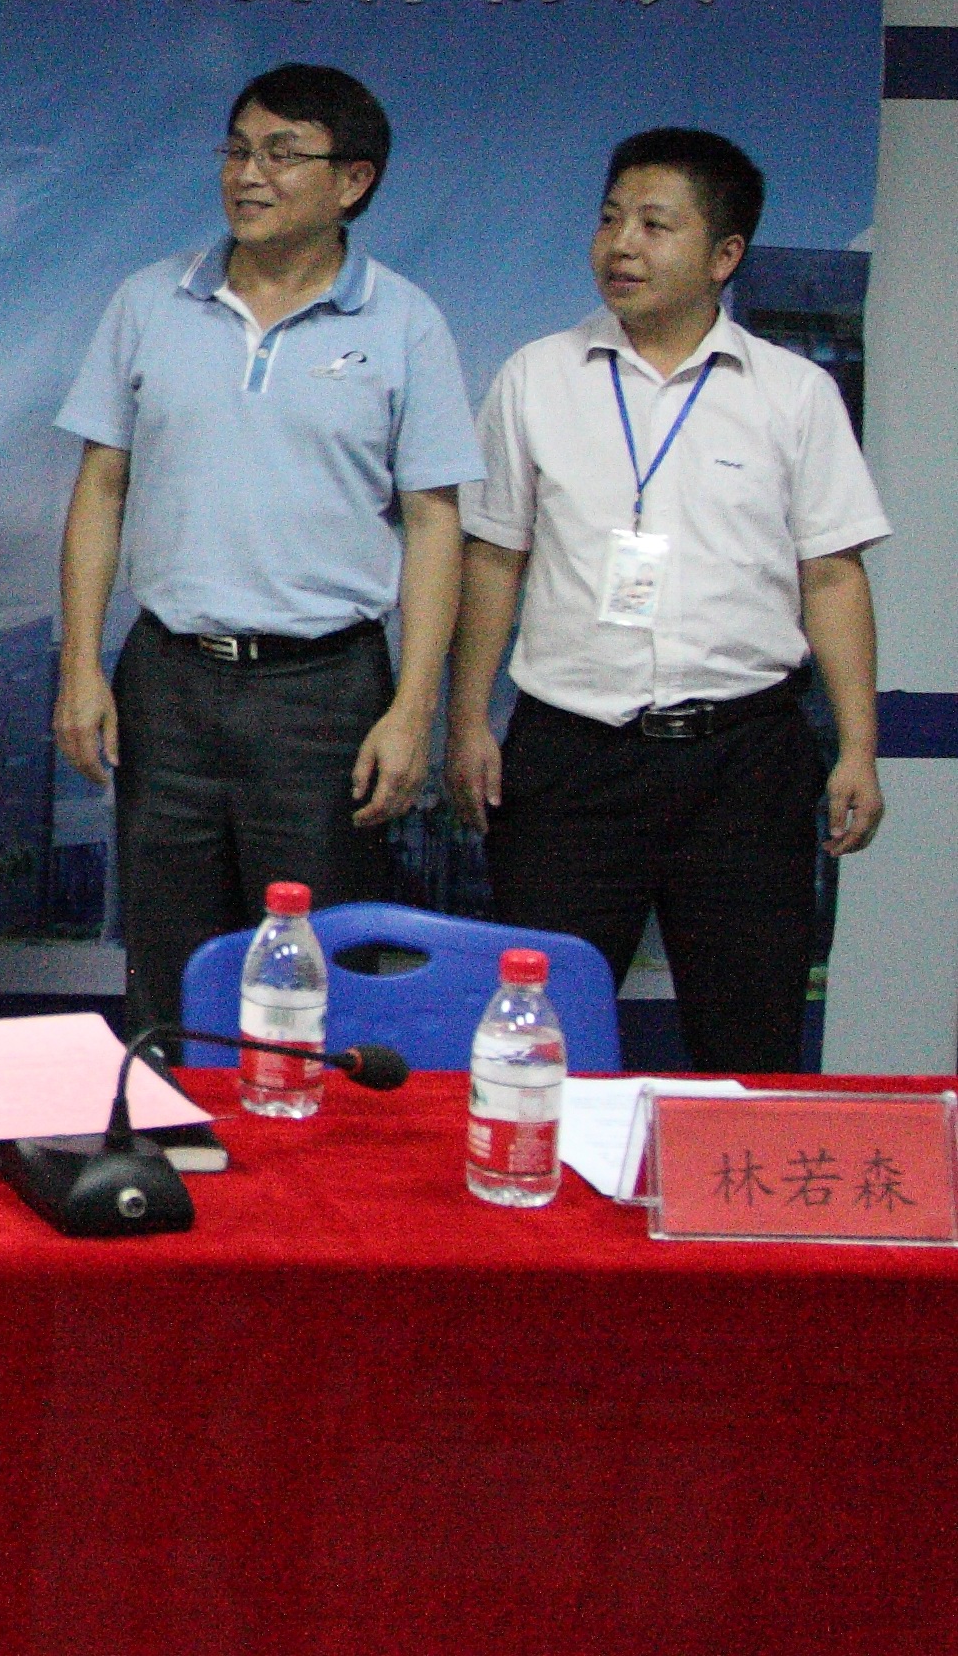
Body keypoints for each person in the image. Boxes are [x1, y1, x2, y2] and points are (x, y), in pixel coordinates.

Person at [53, 64, 480, 1036]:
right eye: (238, 150)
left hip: (324, 694)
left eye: (282, 155)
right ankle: (167, 1121)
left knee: (311, 977)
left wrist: (413, 709)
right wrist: (80, 665)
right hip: (169, 680)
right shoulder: (150, 301)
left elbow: (434, 525)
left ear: (353, 181)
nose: (248, 175)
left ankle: (300, 1134)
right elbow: (100, 488)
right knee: (167, 964)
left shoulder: (404, 322)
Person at [447, 128, 883, 1074]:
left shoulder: (794, 393)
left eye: (654, 225)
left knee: (748, 1041)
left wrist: (857, 746)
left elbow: (832, 574)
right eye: (609, 219)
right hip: (570, 759)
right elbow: (492, 560)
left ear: (724, 255)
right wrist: (468, 718)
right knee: (536, 1046)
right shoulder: (535, 377)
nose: (620, 246)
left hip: (743, 761)